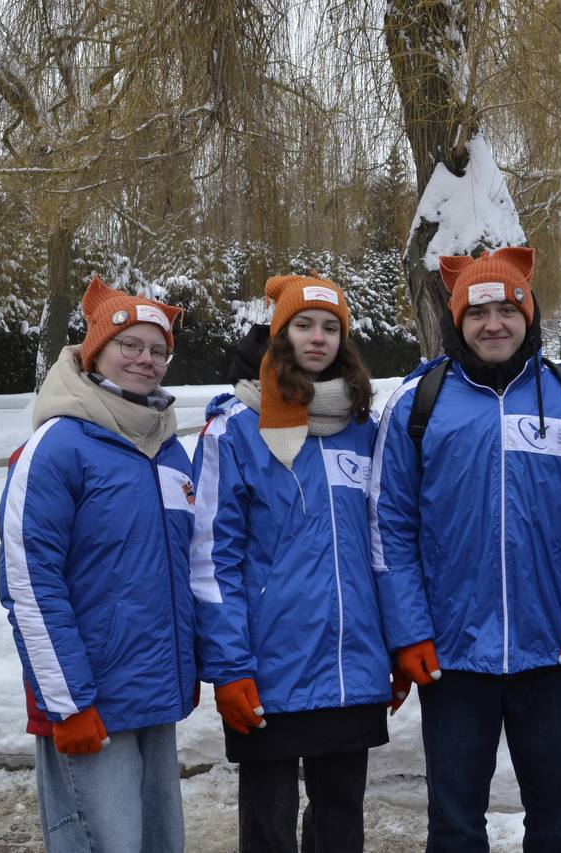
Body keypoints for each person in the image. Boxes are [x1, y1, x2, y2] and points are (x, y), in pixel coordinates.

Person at [368, 247, 561, 851]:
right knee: (455, 823)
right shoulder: (417, 404)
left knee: (558, 819)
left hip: (552, 653)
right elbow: (390, 527)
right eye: (478, 311)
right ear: (458, 320)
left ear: (528, 316)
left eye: (507, 309)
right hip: (452, 657)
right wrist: (409, 631)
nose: (493, 324)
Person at [191, 273, 400, 853]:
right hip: (269, 667)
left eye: (331, 327)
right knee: (270, 829)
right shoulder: (235, 430)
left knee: (340, 821)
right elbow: (212, 559)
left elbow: (387, 544)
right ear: (279, 334)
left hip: (350, 664)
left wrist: (398, 643)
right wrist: (229, 666)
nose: (318, 338)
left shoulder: (363, 430)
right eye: (303, 325)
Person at [0, 275, 198, 853]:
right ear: (95, 352)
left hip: (153, 696)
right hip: (88, 702)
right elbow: (29, 584)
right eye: (129, 345)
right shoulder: (59, 446)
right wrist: (68, 703)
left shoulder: (167, 449)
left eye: (158, 350)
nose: (146, 359)